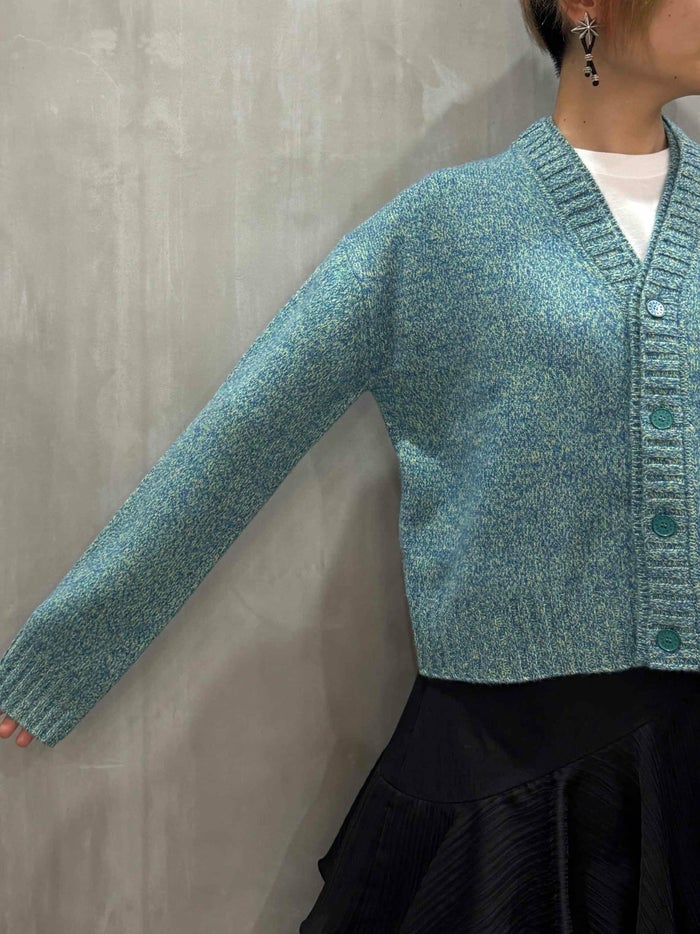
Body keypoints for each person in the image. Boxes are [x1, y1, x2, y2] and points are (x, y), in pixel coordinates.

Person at [3, 0, 700, 929]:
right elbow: (244, 435)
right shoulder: (441, 232)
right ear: (583, 6)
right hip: (505, 781)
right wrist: (66, 651)